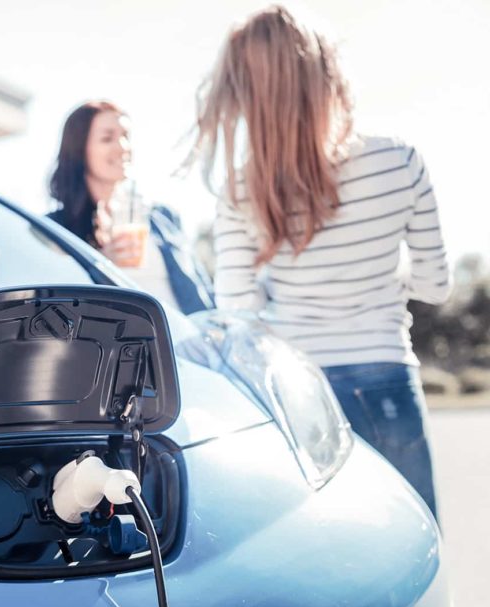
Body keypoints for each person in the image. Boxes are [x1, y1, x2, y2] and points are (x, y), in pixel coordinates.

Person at [191, 6, 450, 518]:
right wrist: (383, 277)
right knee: (417, 541)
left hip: (300, 394)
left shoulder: (240, 189)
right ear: (327, 70)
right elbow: (437, 286)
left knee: (332, 553)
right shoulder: (398, 160)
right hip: (386, 376)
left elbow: (239, 314)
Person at [47, 100, 214, 315]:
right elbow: (55, 305)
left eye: (126, 136)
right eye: (107, 138)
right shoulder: (56, 230)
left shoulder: (163, 218)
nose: (123, 147)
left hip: (185, 342)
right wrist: (102, 265)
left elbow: (202, 289)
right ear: (79, 149)